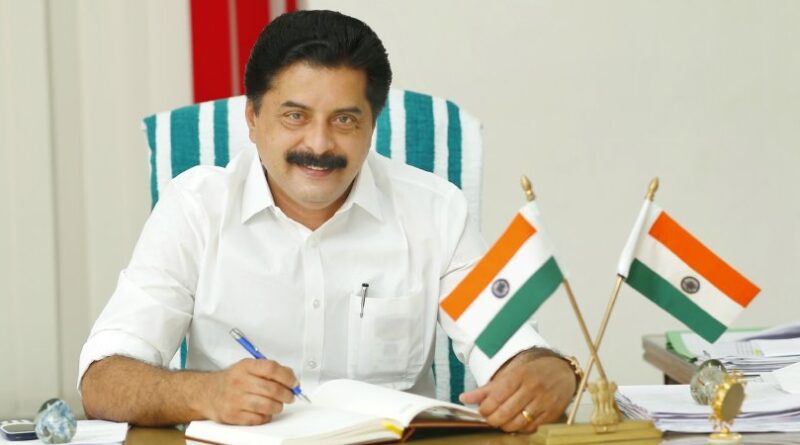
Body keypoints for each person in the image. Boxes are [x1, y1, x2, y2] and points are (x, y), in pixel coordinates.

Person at [78, 10, 577, 434]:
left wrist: (552, 372)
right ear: (252, 119)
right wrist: (205, 394)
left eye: (344, 120)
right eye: (295, 116)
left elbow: (513, 350)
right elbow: (102, 382)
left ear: (372, 125)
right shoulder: (194, 208)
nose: (318, 145)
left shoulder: (435, 211)